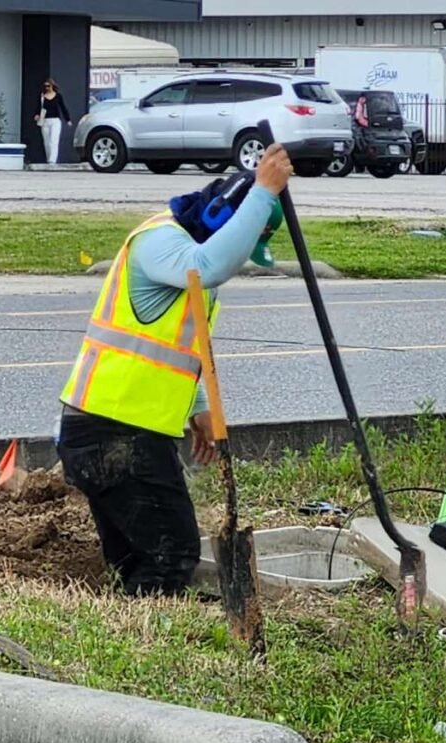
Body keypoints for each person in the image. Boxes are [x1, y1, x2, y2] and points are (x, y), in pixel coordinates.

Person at [57, 144, 293, 597]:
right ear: (221, 218)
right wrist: (264, 191)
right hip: (113, 432)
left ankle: (126, 622)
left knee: (136, 559)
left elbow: (175, 346)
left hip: (122, 431)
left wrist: (198, 407)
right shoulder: (160, 242)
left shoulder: (185, 257)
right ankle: (142, 631)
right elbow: (208, 267)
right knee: (172, 554)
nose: (240, 256)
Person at [34, 78, 72, 165]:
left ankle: (52, 160)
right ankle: (49, 159)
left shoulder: (58, 96)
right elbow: (39, 107)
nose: (47, 88)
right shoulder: (42, 96)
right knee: (46, 142)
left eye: (48, 86)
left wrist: (68, 119)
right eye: (45, 86)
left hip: (55, 120)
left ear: (52, 86)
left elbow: (63, 108)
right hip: (45, 121)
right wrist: (36, 114)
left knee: (53, 141)